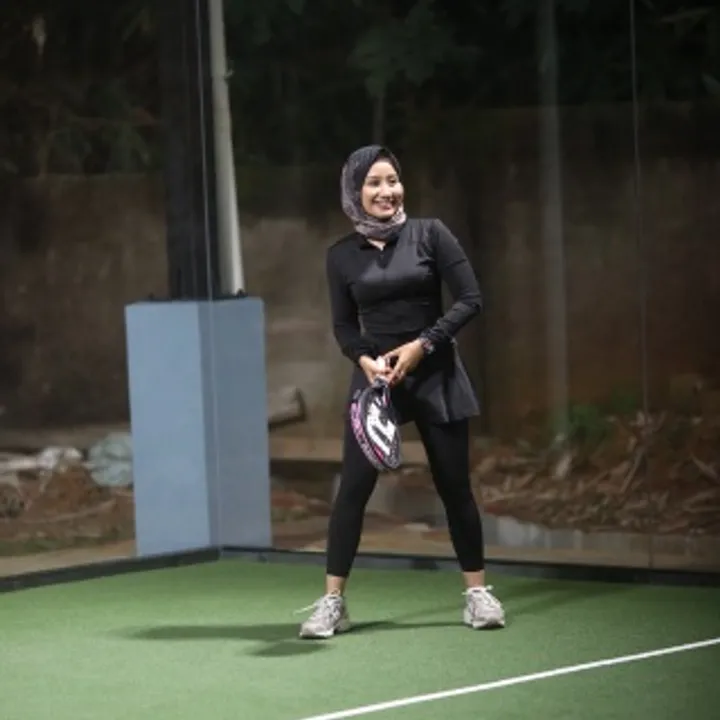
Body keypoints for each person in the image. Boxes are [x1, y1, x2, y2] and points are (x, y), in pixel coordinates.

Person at [298, 145, 505, 639]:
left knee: (454, 486)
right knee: (352, 490)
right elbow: (344, 326)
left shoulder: (431, 234)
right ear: (355, 192)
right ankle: (332, 603)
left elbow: (471, 299)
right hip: (377, 383)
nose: (386, 191)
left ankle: (477, 594)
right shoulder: (340, 256)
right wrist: (364, 360)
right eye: (374, 183)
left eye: (392, 180)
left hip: (435, 373)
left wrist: (423, 345)